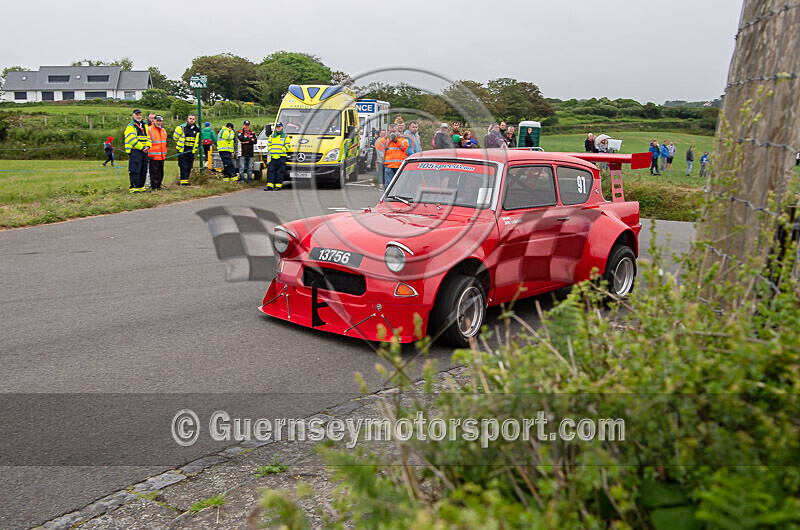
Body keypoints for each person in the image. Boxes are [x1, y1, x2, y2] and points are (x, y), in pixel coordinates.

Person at [124, 109, 151, 193]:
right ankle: (134, 187)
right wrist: (142, 147)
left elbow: (148, 138)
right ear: (133, 115)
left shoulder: (145, 126)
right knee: (135, 169)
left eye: (140, 114)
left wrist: (148, 146)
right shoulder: (130, 126)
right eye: (137, 115)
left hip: (144, 151)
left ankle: (141, 187)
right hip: (135, 151)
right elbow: (132, 139)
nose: (139, 116)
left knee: (143, 169)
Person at [173, 114, 201, 185]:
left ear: (195, 120)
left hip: (191, 150)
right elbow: (175, 137)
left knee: (189, 166)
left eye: (193, 119)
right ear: (187, 119)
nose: (191, 120)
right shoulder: (181, 127)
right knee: (183, 166)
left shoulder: (197, 129)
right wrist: (180, 144)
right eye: (190, 118)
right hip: (183, 150)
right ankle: (183, 182)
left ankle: (186, 180)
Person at [265, 122, 290, 191]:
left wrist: (282, 150)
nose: (278, 128)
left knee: (280, 172)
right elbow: (269, 145)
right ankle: (270, 185)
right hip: (273, 156)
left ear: (282, 127)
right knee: (271, 171)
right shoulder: (272, 136)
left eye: (279, 127)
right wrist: (271, 150)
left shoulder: (285, 136)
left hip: (281, 157)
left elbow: (287, 145)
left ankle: (278, 186)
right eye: (277, 127)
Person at [147, 115, 168, 190]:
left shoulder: (163, 131)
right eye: (157, 121)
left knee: (160, 172)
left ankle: (159, 185)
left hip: (161, 155)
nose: (159, 122)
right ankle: (154, 186)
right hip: (153, 155)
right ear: (154, 121)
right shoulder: (149, 130)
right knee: (154, 172)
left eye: (160, 121)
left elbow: (165, 143)